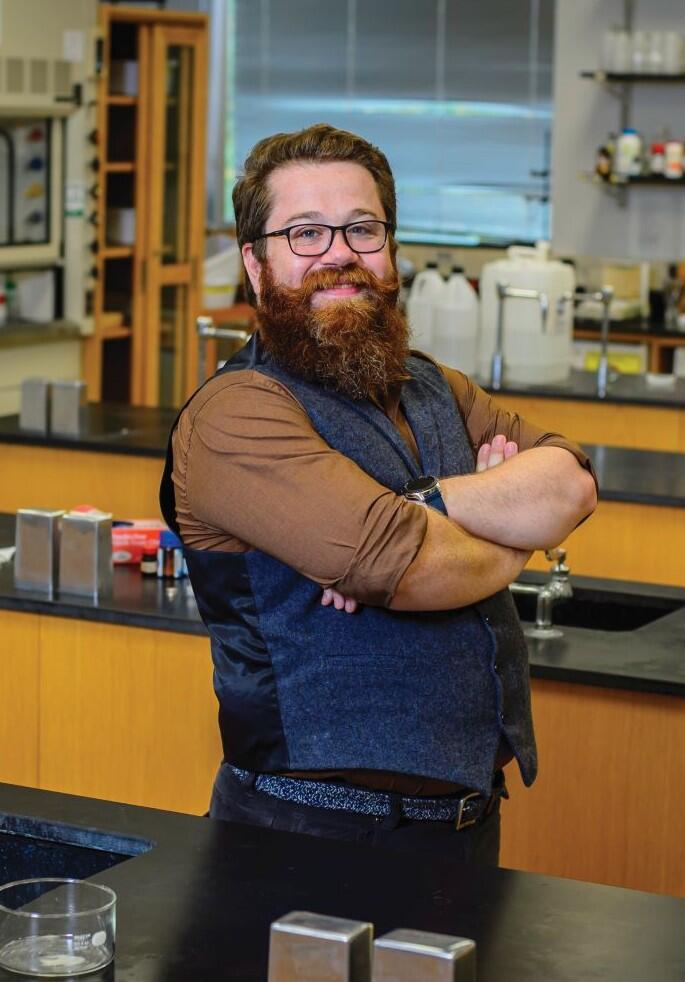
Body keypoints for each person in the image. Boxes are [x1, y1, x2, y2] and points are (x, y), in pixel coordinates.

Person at [159, 123, 597, 864]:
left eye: (362, 229)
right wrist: (505, 521)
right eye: (303, 233)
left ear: (389, 250)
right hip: (306, 834)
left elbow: (572, 483)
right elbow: (407, 567)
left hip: (463, 825)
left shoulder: (433, 387)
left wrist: (421, 506)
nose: (339, 254)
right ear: (255, 265)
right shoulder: (235, 414)